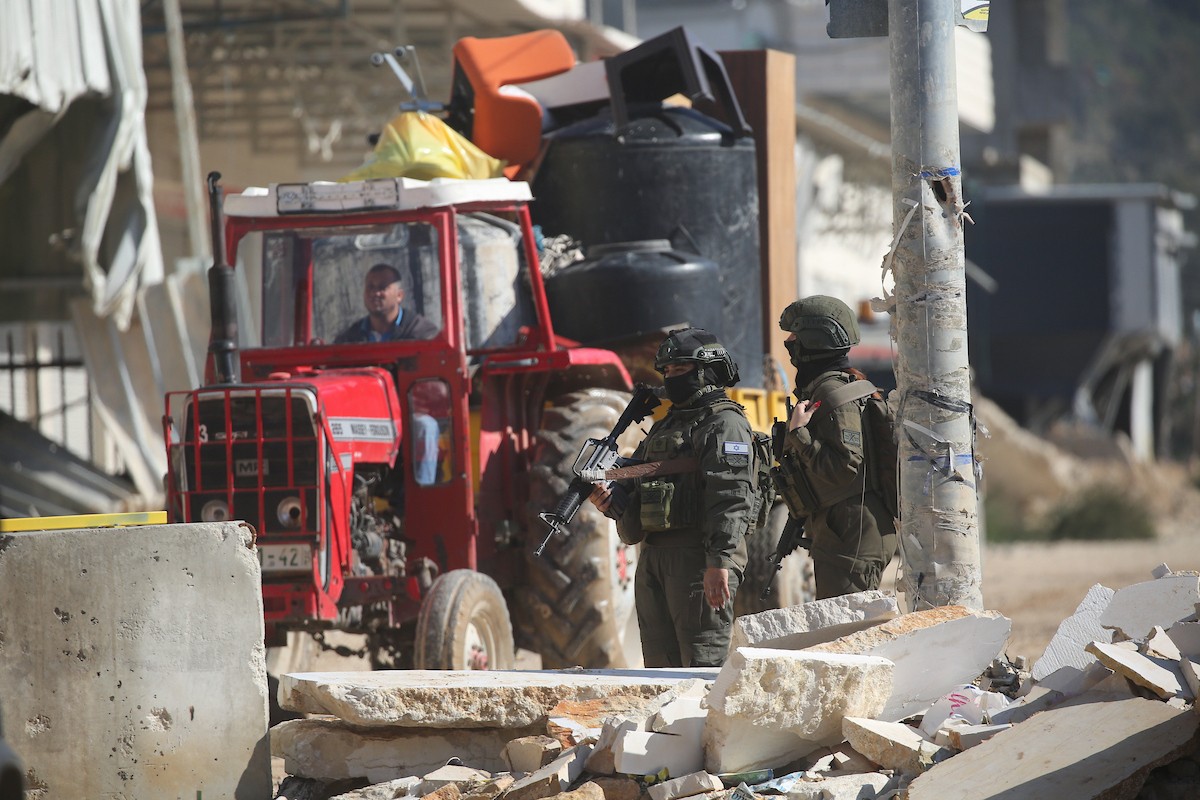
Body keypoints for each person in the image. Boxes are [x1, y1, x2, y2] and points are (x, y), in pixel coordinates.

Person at [588, 328, 757, 667]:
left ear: (706, 371)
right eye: (666, 371)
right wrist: (611, 501)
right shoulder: (667, 426)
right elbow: (642, 490)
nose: (670, 377)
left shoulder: (724, 424)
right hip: (654, 558)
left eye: (679, 369)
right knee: (659, 671)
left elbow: (731, 494)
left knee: (701, 663)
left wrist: (719, 562)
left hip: (698, 561)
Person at [776, 295, 897, 599]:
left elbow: (844, 467)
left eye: (795, 336)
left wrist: (799, 434)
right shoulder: (828, 387)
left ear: (814, 340)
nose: (789, 343)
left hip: (853, 537)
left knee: (846, 638)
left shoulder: (831, 393)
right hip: (845, 533)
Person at [335, 263, 438, 343]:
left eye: (382, 287)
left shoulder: (423, 335)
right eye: (370, 287)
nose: (375, 293)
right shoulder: (349, 339)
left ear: (399, 296)